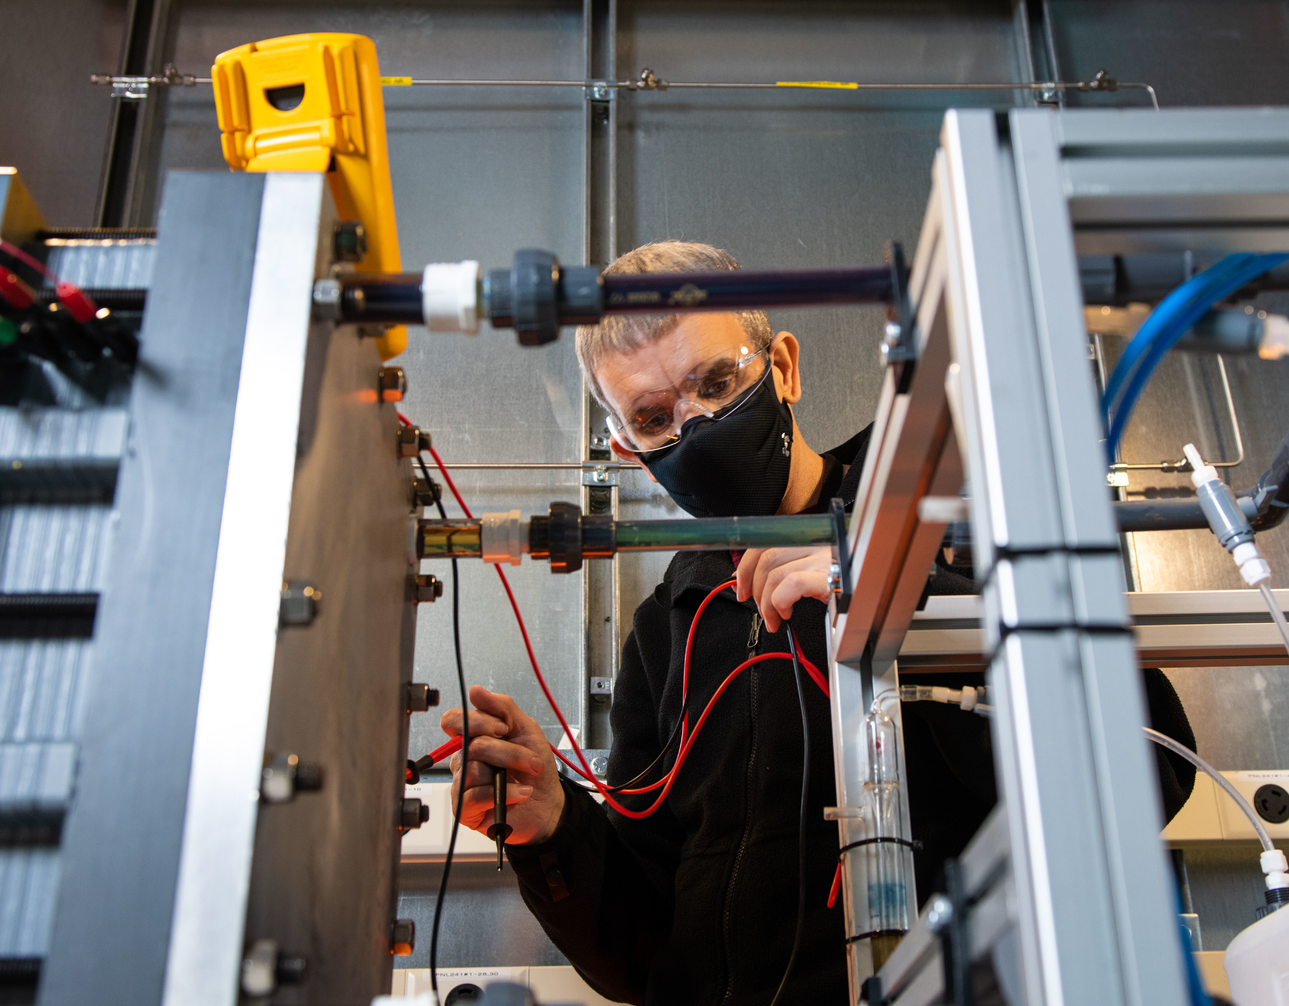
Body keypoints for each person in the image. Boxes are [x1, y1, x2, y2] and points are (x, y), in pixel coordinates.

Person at [439, 241, 1197, 1006]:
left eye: (715, 382)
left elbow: (1149, 770)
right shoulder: (666, 630)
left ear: (783, 368)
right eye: (653, 418)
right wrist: (556, 828)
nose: (695, 426)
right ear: (628, 452)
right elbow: (643, 958)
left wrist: (906, 596)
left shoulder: (948, 517)